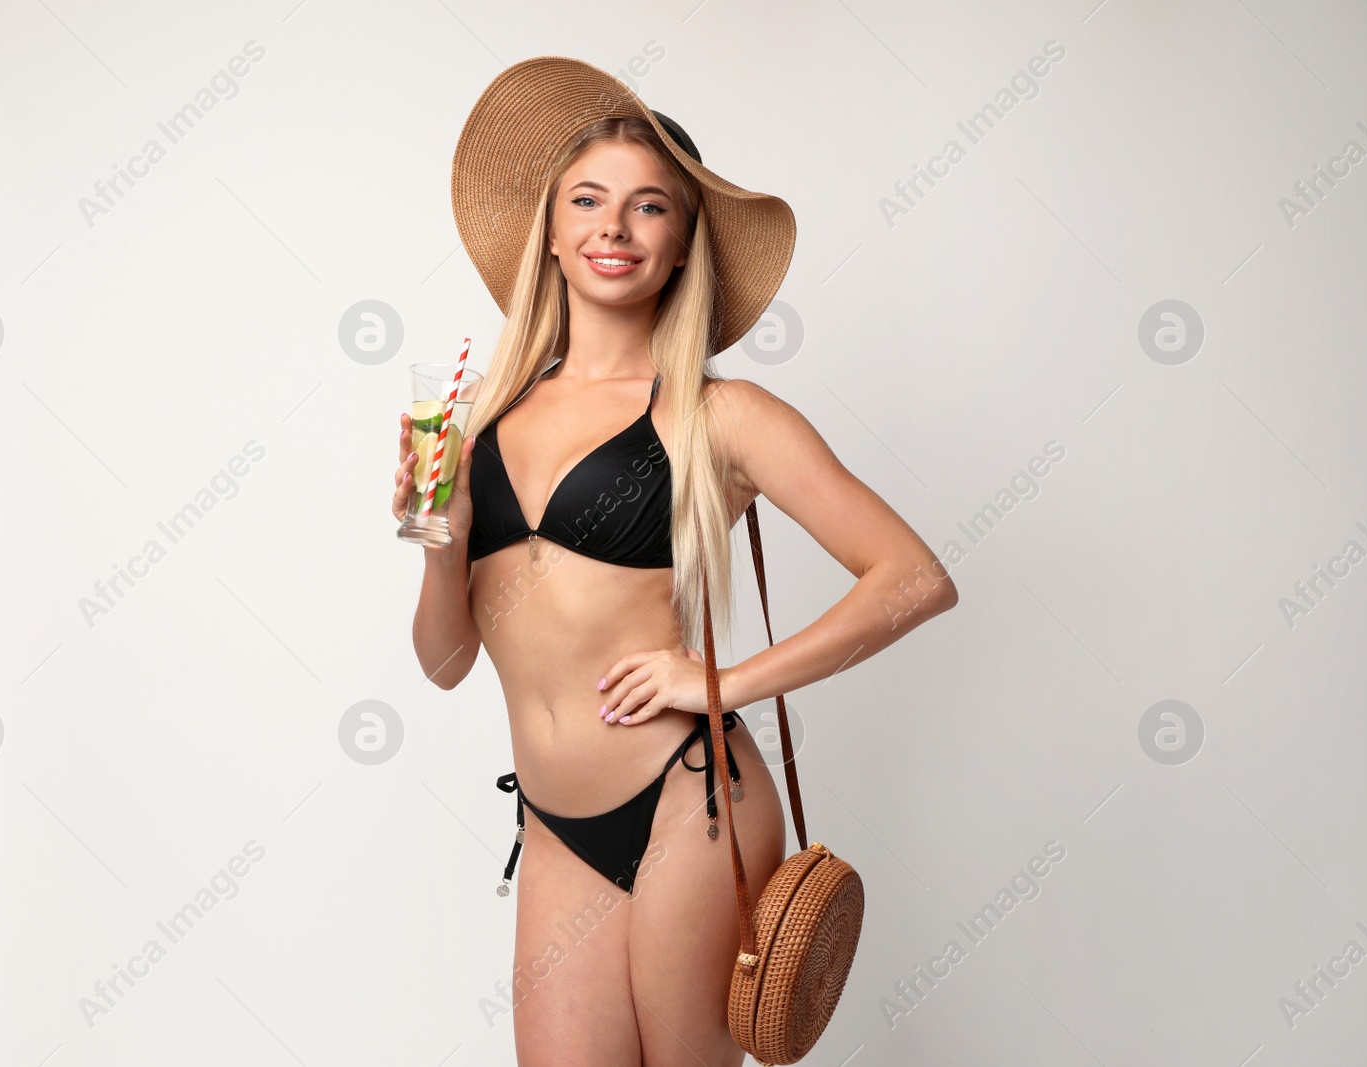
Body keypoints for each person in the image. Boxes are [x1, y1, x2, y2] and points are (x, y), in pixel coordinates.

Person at [391, 57, 957, 1067]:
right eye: (589, 202)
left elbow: (913, 576)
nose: (614, 227)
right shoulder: (484, 420)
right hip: (556, 825)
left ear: (685, 241)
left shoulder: (718, 415)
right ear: (552, 232)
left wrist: (722, 681)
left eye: (649, 207)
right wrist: (440, 542)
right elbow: (443, 665)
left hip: (687, 800)